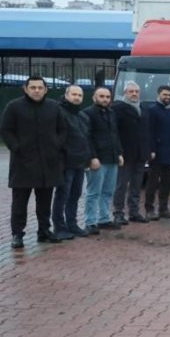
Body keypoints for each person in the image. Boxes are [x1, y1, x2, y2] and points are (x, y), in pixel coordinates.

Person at [1, 76, 67, 248]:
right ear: (26, 89)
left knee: (45, 203)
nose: (36, 90)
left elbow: (63, 129)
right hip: (23, 163)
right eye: (33, 87)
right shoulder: (14, 107)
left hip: (48, 163)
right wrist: (17, 147)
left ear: (46, 89)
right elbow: (6, 130)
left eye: (40, 87)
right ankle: (17, 235)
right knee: (19, 203)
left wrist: (56, 145)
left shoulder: (54, 107)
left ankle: (44, 231)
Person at [82, 87, 124, 233]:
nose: (105, 99)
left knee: (108, 191)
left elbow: (116, 135)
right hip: (97, 159)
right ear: (94, 97)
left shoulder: (111, 113)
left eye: (107, 97)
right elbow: (87, 137)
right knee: (94, 192)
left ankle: (104, 219)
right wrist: (92, 157)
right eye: (101, 96)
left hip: (112, 157)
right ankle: (90, 222)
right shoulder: (87, 113)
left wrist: (119, 153)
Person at [52, 85, 90, 238]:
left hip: (80, 162)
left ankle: (72, 224)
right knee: (62, 195)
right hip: (65, 162)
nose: (77, 97)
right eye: (74, 94)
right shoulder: (59, 113)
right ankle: (59, 227)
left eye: (79, 95)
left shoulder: (82, 116)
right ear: (66, 95)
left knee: (75, 195)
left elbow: (85, 139)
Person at [112, 81, 150, 225]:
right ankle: (118, 212)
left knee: (137, 184)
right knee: (121, 185)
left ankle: (134, 212)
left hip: (141, 154)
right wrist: (118, 152)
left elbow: (147, 131)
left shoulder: (144, 108)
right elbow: (114, 132)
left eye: (136, 91)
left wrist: (148, 149)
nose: (134, 94)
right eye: (131, 91)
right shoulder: (118, 108)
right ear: (125, 93)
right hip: (126, 154)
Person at [145, 85, 170, 220]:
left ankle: (163, 209)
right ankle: (149, 209)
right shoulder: (152, 111)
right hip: (157, 153)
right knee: (152, 182)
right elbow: (149, 132)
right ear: (158, 95)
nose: (167, 97)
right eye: (165, 95)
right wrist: (151, 150)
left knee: (167, 182)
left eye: (169, 95)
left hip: (169, 153)